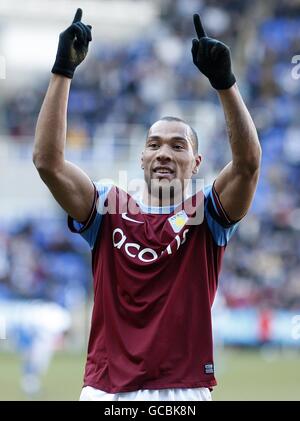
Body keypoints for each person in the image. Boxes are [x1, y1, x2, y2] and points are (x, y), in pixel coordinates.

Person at [33, 9, 261, 401]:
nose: (164, 154)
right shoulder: (107, 204)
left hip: (182, 392)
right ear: (141, 159)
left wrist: (225, 83)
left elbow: (247, 164)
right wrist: (62, 71)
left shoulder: (206, 213)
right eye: (154, 145)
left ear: (197, 162)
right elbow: (48, 163)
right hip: (107, 390)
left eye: (178, 146)